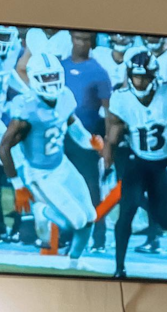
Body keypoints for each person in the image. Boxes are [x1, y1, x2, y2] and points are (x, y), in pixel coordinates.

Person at [103, 46, 167, 278]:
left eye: (145, 77)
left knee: (166, 222)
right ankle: (119, 268)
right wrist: (107, 164)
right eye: (136, 76)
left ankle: (142, 201)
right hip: (136, 162)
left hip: (163, 164)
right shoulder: (121, 99)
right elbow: (113, 137)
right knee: (125, 214)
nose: (140, 82)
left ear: (154, 76)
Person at [0, 53, 104, 263]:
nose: (52, 82)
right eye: (46, 77)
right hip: (40, 173)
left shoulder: (65, 96)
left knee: (90, 217)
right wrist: (18, 185)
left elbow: (73, 125)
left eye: (54, 76)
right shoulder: (27, 108)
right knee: (76, 221)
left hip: (62, 165)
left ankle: (74, 263)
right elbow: (3, 148)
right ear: (34, 78)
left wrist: (88, 142)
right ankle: (42, 210)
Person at [61, 31, 112, 252]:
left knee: (91, 187)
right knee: (62, 187)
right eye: (78, 38)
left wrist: (108, 142)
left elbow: (108, 112)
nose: (81, 43)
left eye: (86, 40)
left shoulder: (99, 72)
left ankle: (98, 237)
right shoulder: (60, 67)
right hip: (61, 136)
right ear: (71, 39)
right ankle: (64, 235)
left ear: (92, 43)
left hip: (88, 137)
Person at [0, 25, 25, 241]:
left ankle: (23, 225)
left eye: (6, 36)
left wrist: (26, 92)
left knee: (18, 167)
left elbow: (6, 74)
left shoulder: (12, 51)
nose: (2, 41)